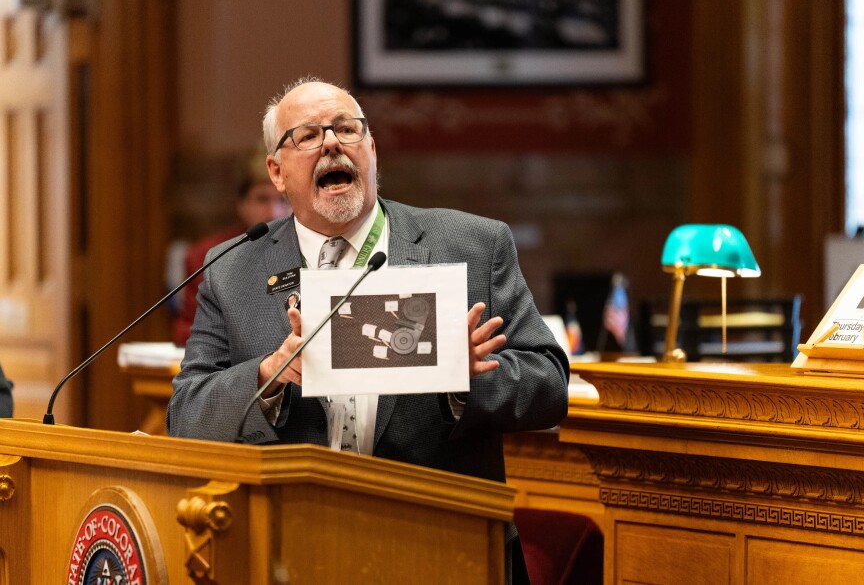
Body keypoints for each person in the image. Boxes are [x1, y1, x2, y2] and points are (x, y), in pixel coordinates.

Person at [167, 78, 569, 583]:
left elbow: (550, 385)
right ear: (276, 172)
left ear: (372, 151)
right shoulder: (230, 270)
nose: (331, 143)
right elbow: (186, 417)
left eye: (346, 129)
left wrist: (462, 378)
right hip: (292, 554)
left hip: (444, 549)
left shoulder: (472, 245)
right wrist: (269, 374)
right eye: (307, 136)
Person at [172, 174, 290, 346]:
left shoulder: (311, 251)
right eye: (262, 199)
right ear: (242, 205)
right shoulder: (209, 255)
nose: (274, 212)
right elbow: (188, 330)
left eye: (283, 200)